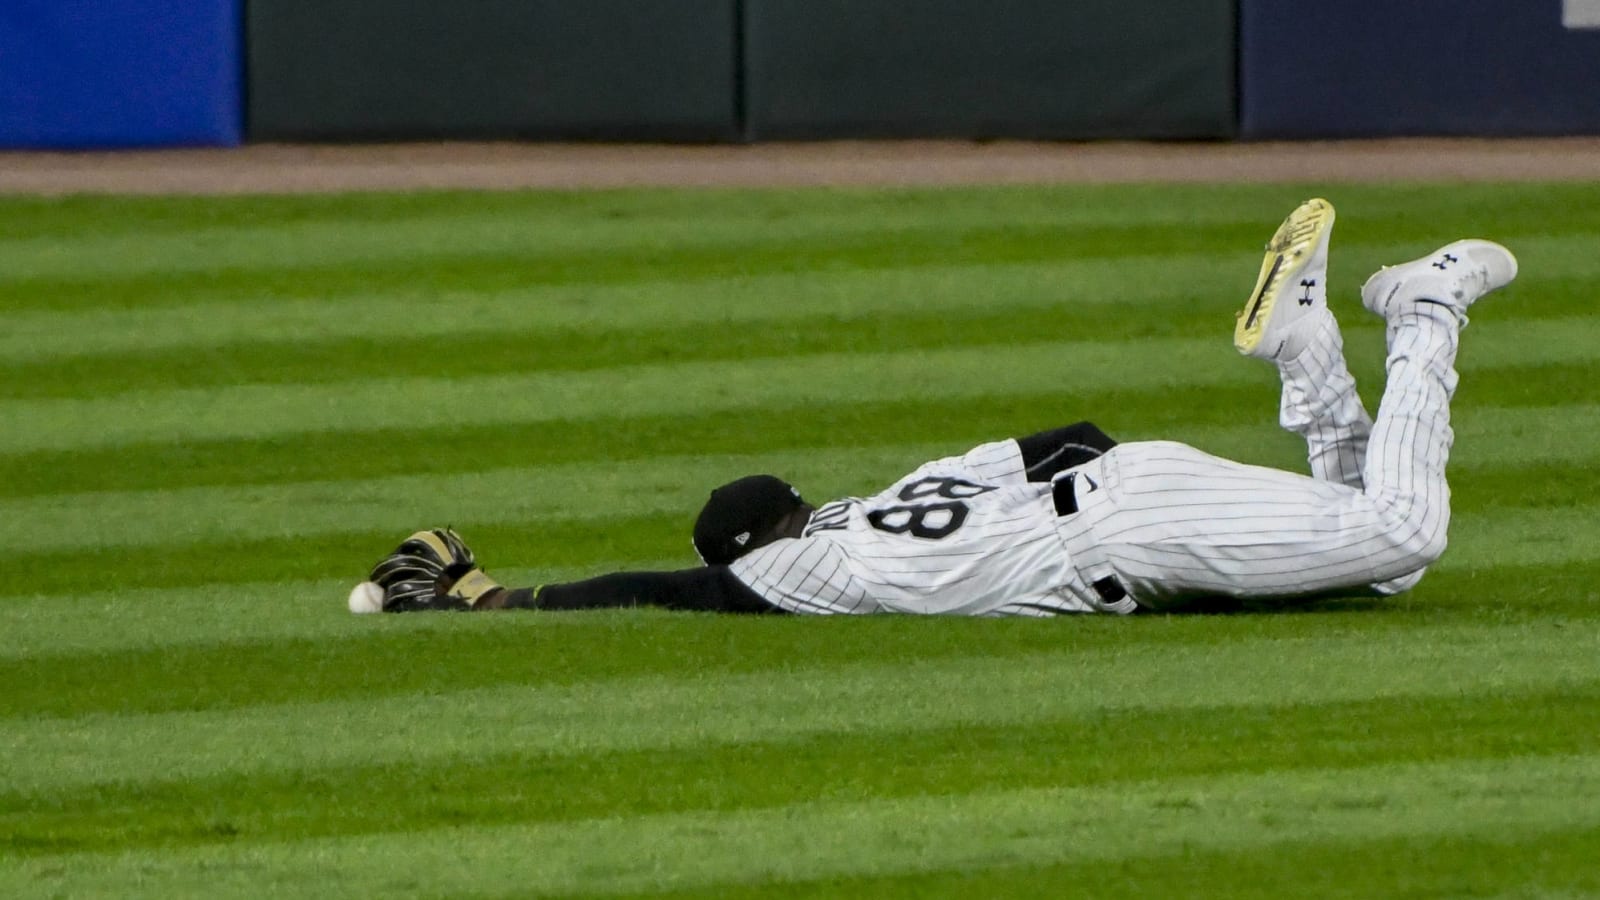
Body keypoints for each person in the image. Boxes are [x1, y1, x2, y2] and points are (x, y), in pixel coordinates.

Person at [349, 198, 1517, 617]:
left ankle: (1425, 307)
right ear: (800, 501)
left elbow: (662, 589)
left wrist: (501, 600)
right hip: (1128, 481)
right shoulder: (903, 491)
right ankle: (1307, 343)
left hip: (1121, 537)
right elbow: (1076, 438)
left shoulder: (803, 572)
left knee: (1404, 531)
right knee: (1377, 565)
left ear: (754, 552)